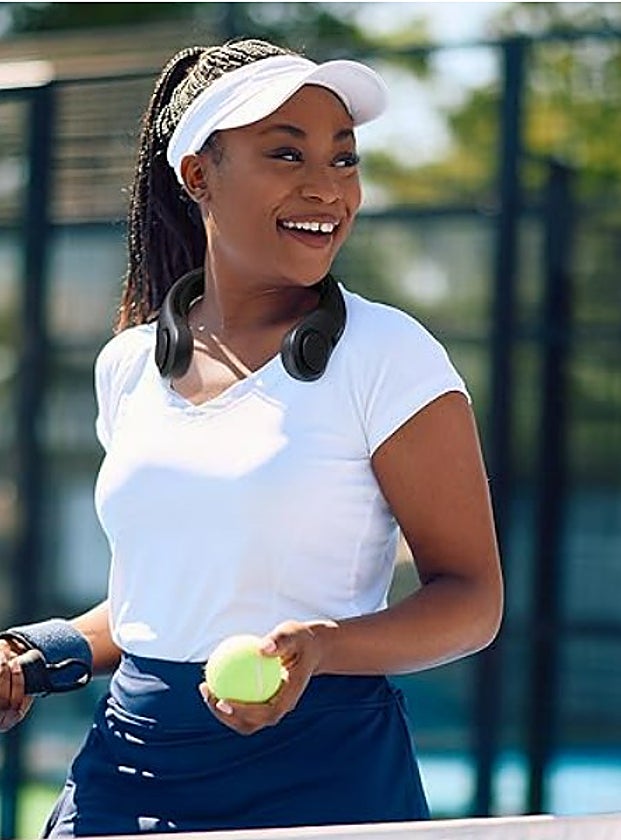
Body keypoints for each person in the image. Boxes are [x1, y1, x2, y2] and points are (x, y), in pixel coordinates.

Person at [0, 38, 503, 836]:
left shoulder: (393, 356)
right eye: (285, 153)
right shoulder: (127, 366)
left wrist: (322, 648)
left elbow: (473, 602)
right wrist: (33, 654)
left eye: (344, 160)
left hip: (325, 780)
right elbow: (155, 605)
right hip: (128, 776)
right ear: (198, 173)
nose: (326, 188)